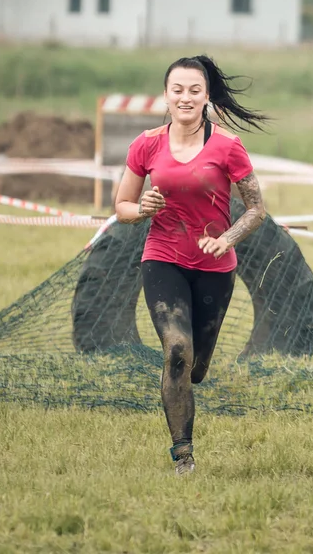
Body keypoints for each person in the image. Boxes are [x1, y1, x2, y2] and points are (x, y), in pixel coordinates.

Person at [114, 54, 269, 476]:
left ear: (206, 97)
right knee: (177, 351)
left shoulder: (228, 146)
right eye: (177, 90)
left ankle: (192, 372)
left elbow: (257, 209)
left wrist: (227, 238)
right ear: (165, 96)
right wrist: (140, 207)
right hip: (162, 257)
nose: (185, 97)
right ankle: (183, 453)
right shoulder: (146, 144)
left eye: (194, 90)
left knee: (195, 366)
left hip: (216, 269)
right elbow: (122, 206)